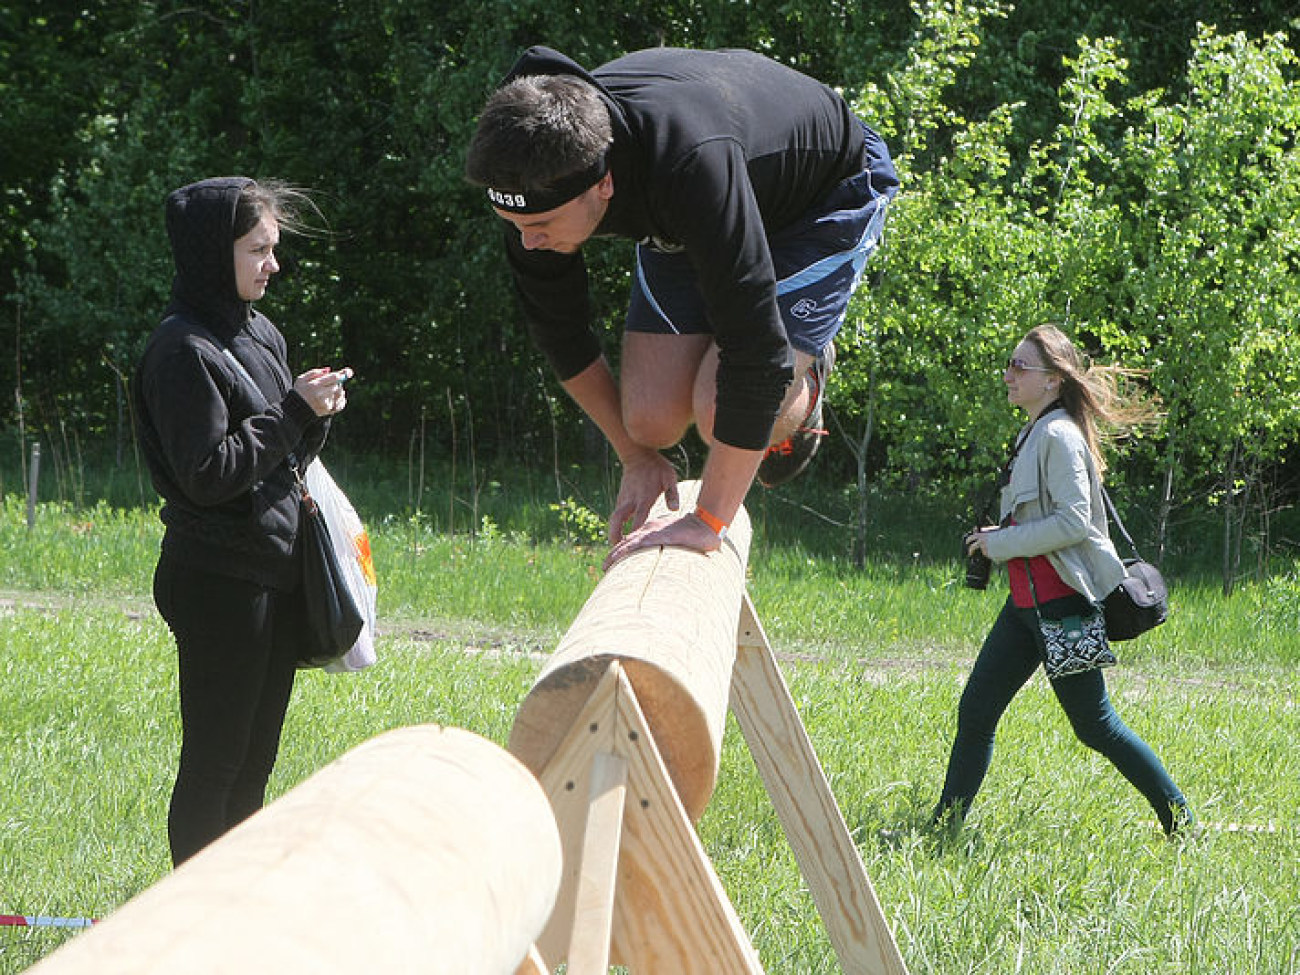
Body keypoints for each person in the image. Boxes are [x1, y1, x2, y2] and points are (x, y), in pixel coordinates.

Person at [465, 46, 898, 564]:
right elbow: (559, 329)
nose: (527, 243)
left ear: (603, 183)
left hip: (822, 194)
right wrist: (635, 457)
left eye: (540, 228)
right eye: (515, 227)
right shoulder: (532, 166)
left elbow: (756, 353)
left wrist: (708, 520)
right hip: (699, 202)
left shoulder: (692, 167)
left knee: (719, 411)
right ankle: (747, 377)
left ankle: (810, 369)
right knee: (649, 420)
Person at [133, 177, 352, 865]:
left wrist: (311, 414)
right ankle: (192, 916)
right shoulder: (181, 350)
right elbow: (207, 475)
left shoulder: (259, 331)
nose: (273, 264)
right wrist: (292, 412)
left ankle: (234, 901)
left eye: (274, 248)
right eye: (258, 248)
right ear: (210, 252)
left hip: (273, 570)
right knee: (216, 762)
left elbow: (279, 458)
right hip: (218, 579)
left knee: (255, 761)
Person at [934, 324, 1193, 837]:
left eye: (1019, 367)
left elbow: (1074, 522)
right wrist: (998, 534)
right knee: (977, 710)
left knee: (1096, 726)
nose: (1008, 374)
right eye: (1009, 364)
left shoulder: (1058, 435)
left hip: (1063, 608)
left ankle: (1180, 820)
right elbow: (1043, 516)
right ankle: (944, 827)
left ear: (1052, 380)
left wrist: (1000, 544)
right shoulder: (1032, 431)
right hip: (1025, 607)